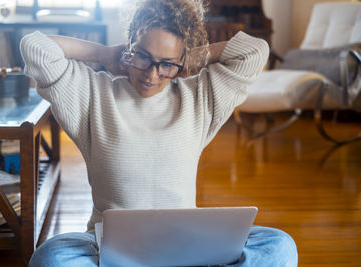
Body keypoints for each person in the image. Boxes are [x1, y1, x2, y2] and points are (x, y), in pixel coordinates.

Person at [21, 0, 298, 266]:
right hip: (110, 251)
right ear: (129, 45)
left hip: (187, 246)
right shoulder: (92, 95)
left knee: (280, 245)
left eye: (166, 64)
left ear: (182, 62)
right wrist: (105, 54)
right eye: (142, 56)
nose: (151, 75)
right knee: (50, 258)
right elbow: (36, 47)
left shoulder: (199, 98)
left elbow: (254, 51)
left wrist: (195, 56)